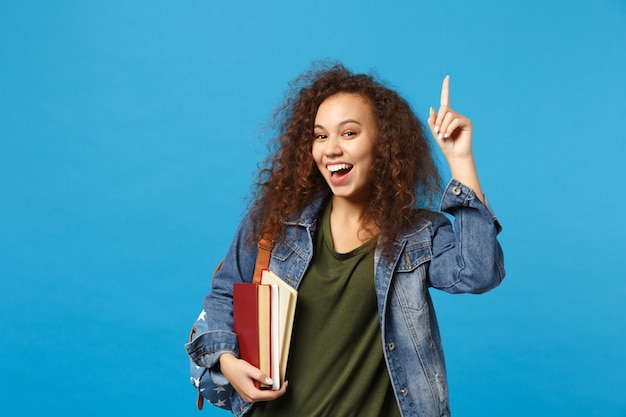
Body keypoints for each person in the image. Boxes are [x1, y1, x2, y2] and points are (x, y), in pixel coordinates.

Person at [186, 63, 505, 417]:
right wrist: (226, 361)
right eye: (320, 136)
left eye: (349, 133)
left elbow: (478, 272)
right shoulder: (276, 223)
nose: (331, 149)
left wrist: (461, 160)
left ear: (383, 143)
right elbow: (223, 294)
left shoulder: (417, 236)